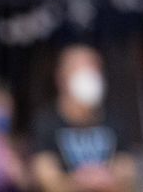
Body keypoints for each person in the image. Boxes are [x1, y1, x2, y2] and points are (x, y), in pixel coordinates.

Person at [30, 45, 136, 192]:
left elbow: (128, 174)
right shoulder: (46, 123)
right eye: (81, 70)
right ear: (61, 78)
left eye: (94, 70)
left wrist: (107, 179)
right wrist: (79, 182)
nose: (90, 76)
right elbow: (46, 178)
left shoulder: (114, 121)